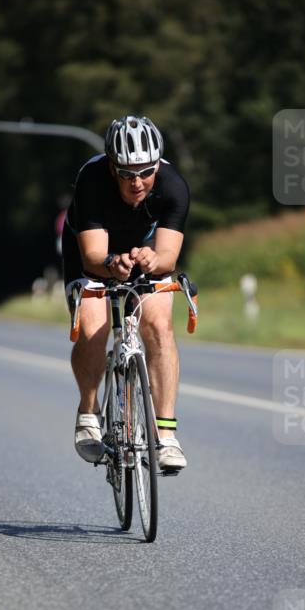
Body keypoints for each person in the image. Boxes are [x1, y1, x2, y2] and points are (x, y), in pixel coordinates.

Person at [62, 115, 190, 471]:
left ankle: (165, 436)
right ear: (111, 167)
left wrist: (153, 259)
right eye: (126, 173)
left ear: (158, 165)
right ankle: (88, 412)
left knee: (160, 327)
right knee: (93, 328)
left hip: (144, 248)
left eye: (146, 172)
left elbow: (169, 255)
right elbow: (91, 256)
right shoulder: (91, 180)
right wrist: (111, 264)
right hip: (92, 253)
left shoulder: (173, 186)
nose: (137, 182)